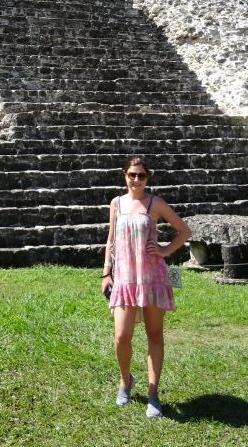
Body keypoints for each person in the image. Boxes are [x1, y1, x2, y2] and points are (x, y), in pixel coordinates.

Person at [101, 156, 191, 418]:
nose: (136, 179)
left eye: (141, 175)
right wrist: (106, 272)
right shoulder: (116, 204)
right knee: (121, 336)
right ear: (125, 176)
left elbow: (184, 231)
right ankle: (125, 380)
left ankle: (153, 393)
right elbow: (111, 240)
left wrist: (164, 250)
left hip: (152, 276)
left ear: (147, 178)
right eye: (132, 174)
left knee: (154, 334)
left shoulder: (155, 203)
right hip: (125, 277)